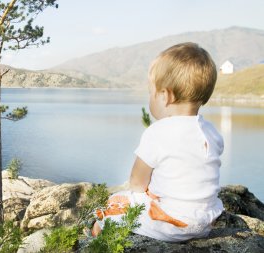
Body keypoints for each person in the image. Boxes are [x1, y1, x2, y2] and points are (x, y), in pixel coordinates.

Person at [91, 42, 224, 242]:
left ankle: (95, 239)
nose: (150, 98)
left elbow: (137, 183)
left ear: (166, 95)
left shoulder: (158, 132)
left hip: (173, 224)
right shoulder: (211, 132)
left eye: (151, 92)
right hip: (205, 222)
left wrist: (147, 193)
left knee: (116, 202)